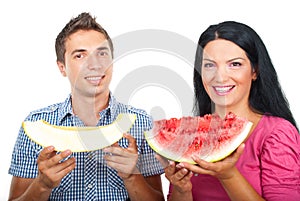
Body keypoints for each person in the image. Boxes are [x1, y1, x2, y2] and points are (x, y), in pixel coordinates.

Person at [8, 12, 164, 201]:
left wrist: (131, 176)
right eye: (80, 55)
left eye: (102, 53)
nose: (95, 64)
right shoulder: (35, 124)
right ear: (62, 67)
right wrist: (42, 185)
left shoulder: (141, 123)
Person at [160, 21, 300, 201]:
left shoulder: (277, 133)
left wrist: (229, 175)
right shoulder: (192, 135)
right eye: (209, 65)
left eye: (234, 64)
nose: (220, 77)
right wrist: (182, 189)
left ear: (255, 71)